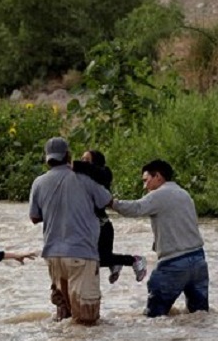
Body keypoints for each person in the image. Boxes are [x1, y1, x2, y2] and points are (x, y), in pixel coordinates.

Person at [110, 159, 209, 317]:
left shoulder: (159, 195)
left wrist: (111, 203)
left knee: (154, 317)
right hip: (199, 260)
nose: (145, 186)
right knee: (199, 315)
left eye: (146, 180)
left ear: (158, 177)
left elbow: (135, 208)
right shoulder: (184, 194)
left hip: (174, 263)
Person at [29, 137, 112, 324]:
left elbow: (34, 217)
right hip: (81, 255)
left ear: (47, 159)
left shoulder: (39, 183)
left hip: (53, 256)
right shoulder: (84, 179)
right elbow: (106, 200)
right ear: (68, 155)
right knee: (86, 321)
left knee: (64, 317)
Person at [73, 149, 147, 283]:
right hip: (95, 226)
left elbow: (94, 171)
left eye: (86, 160)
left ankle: (135, 260)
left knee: (97, 259)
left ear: (95, 162)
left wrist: (70, 164)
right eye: (81, 159)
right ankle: (115, 263)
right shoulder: (83, 178)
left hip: (102, 227)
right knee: (91, 259)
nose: (83, 163)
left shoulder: (102, 175)